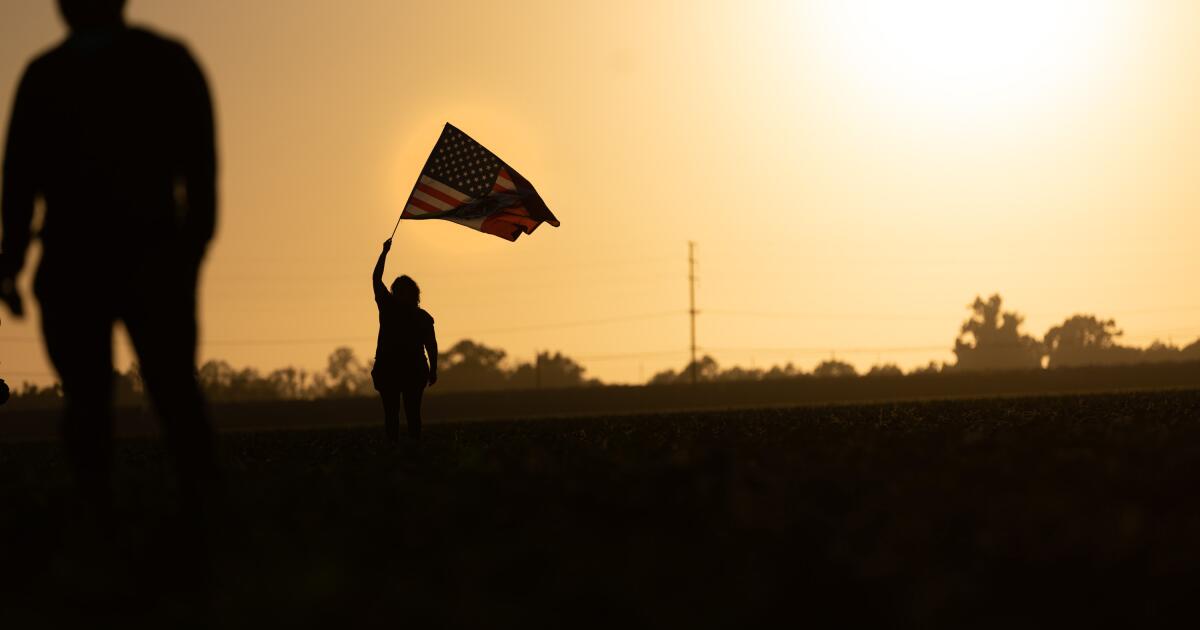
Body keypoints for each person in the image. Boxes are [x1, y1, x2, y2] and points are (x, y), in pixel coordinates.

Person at [0, 0, 218, 512]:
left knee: (94, 399)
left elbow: (19, 181)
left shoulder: (45, 75)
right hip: (143, 255)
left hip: (85, 260)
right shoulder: (167, 60)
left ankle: (104, 515)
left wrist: (12, 262)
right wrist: (191, 249)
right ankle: (198, 514)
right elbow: (201, 172)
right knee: (167, 390)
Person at [372, 238, 437, 442]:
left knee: (402, 415)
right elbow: (431, 346)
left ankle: (404, 453)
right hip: (400, 370)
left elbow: (431, 345)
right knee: (402, 415)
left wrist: (384, 253)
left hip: (405, 370)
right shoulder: (398, 310)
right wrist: (384, 253)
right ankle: (410, 453)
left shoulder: (390, 307)